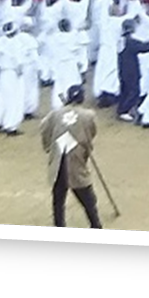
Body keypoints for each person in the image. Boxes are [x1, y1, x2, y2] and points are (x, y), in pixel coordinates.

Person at [39, 84, 103, 229]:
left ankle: (59, 226)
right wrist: (86, 147)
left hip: (58, 161)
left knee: (58, 199)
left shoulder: (55, 114)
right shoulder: (88, 115)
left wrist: (48, 146)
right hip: (75, 161)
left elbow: (44, 127)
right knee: (87, 198)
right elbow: (90, 134)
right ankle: (95, 225)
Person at [0, 21, 26, 136]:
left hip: (3, 73)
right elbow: (19, 60)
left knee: (1, 99)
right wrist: (20, 71)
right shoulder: (17, 43)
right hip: (13, 73)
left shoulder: (0, 42)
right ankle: (10, 126)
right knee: (14, 100)